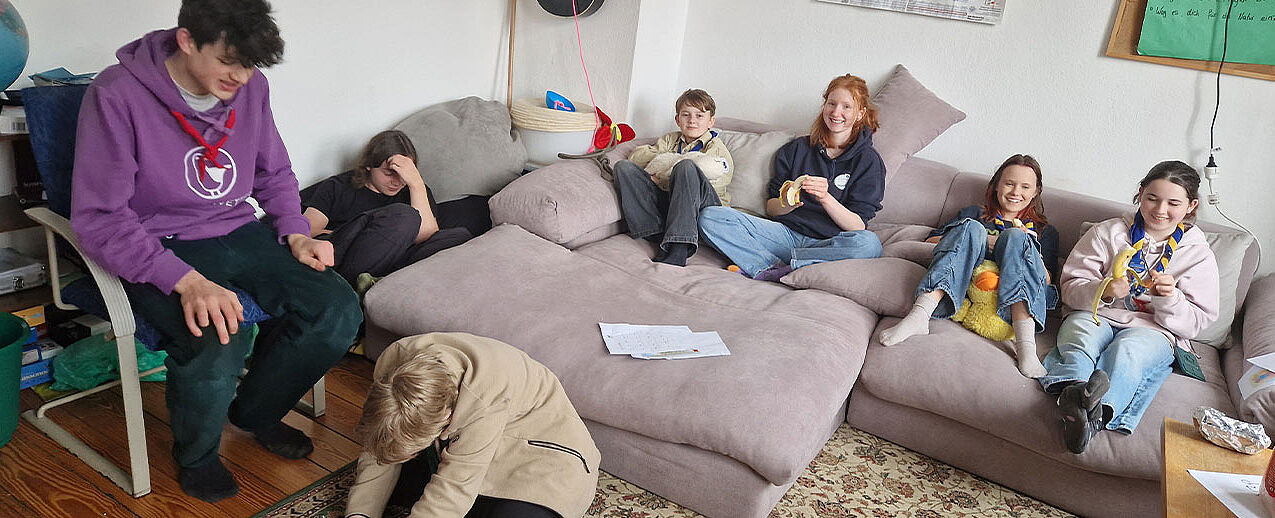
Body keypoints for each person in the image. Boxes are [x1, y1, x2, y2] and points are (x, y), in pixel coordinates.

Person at [70, 0, 362, 502]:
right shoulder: (116, 93)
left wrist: (294, 230)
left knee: (337, 307)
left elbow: (273, 172)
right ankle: (198, 455)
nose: (241, 77)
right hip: (156, 241)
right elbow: (101, 218)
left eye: (250, 65)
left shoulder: (252, 87)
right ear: (187, 40)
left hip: (236, 227)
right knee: (214, 334)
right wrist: (186, 281)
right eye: (229, 60)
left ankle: (256, 412)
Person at [1039, 161, 1219, 454]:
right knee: (1081, 337)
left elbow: (1198, 321)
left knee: (1128, 353)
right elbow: (1069, 288)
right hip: (1095, 314)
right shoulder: (1106, 233)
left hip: (1154, 330)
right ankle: (1075, 392)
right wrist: (1103, 290)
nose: (1160, 210)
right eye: (1152, 198)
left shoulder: (1198, 254)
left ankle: (1092, 413)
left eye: (1173, 203)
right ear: (1140, 194)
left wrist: (1170, 299)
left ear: (1191, 205)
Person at [345, 332, 600, 518]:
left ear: (446, 418)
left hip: (543, 460)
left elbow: (454, 488)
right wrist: (359, 514)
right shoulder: (395, 366)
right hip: (470, 444)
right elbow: (379, 449)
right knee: (397, 482)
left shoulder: (485, 396)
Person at [878, 155, 1059, 378]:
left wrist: (1027, 249)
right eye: (1009, 184)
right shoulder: (974, 214)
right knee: (971, 228)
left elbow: (1048, 280)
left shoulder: (1045, 232)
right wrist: (984, 239)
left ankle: (1026, 348)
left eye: (1025, 187)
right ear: (996, 185)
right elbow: (931, 243)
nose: (1015, 192)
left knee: (1017, 238)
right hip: (964, 289)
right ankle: (919, 316)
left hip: (1006, 301)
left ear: (1036, 192)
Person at [698, 74, 884, 281]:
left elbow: (857, 226)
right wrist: (788, 203)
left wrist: (825, 198)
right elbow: (771, 208)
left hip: (830, 243)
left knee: (869, 245)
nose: (836, 112)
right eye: (831, 103)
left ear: (860, 114)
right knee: (710, 217)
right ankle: (771, 267)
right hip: (784, 235)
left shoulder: (869, 161)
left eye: (846, 107)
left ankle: (781, 266)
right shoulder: (798, 149)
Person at [301, 130, 473, 287]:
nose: (397, 181)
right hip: (351, 259)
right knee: (405, 216)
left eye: (403, 174)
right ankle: (370, 284)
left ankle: (381, 283)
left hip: (394, 260)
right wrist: (368, 235)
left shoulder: (415, 189)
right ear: (369, 165)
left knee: (459, 237)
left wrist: (416, 184)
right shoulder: (336, 187)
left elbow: (427, 236)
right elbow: (308, 232)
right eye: (390, 173)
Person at [613, 88, 733, 266]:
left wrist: (663, 173)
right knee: (623, 168)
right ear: (678, 120)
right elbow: (636, 157)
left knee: (686, 167)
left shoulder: (716, 148)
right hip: (671, 204)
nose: (692, 120)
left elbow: (715, 179)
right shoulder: (670, 140)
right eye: (686, 115)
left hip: (705, 208)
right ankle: (655, 232)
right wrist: (669, 165)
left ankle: (679, 245)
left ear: (711, 121)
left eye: (699, 116)